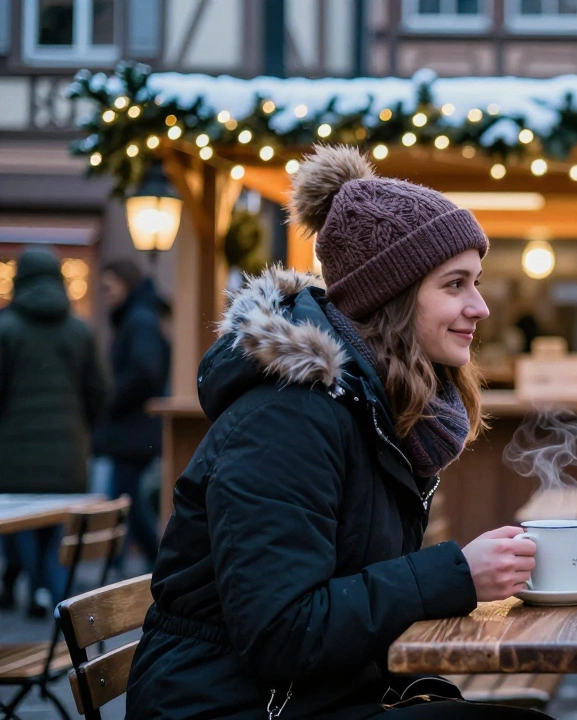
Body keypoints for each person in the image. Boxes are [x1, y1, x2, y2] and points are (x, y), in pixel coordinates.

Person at [125, 146, 545, 719]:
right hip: (229, 706)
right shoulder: (288, 418)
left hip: (312, 697)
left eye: (475, 282)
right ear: (391, 297)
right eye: (455, 284)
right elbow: (282, 633)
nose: (480, 307)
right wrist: (455, 575)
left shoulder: (370, 407)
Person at [0, 248, 106, 615]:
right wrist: (81, 430)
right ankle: (55, 594)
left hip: (15, 453)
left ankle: (39, 588)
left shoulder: (5, 329)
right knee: (59, 527)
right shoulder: (79, 330)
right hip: (68, 450)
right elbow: (98, 392)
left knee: (22, 526)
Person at [94, 259, 169, 568]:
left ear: (125, 283)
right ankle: (132, 564)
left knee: (126, 504)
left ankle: (154, 564)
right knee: (126, 503)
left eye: (109, 287)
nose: (105, 294)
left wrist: (112, 400)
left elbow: (145, 371)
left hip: (132, 432)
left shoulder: (139, 320)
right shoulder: (140, 318)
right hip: (134, 432)